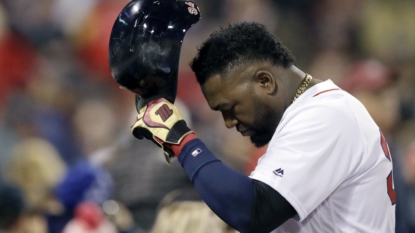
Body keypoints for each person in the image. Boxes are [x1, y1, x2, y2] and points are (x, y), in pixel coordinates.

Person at [130, 22, 396, 233]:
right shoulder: (312, 112)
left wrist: (181, 140)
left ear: (265, 82)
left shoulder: (325, 114)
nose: (229, 122)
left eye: (230, 107)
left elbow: (252, 211)